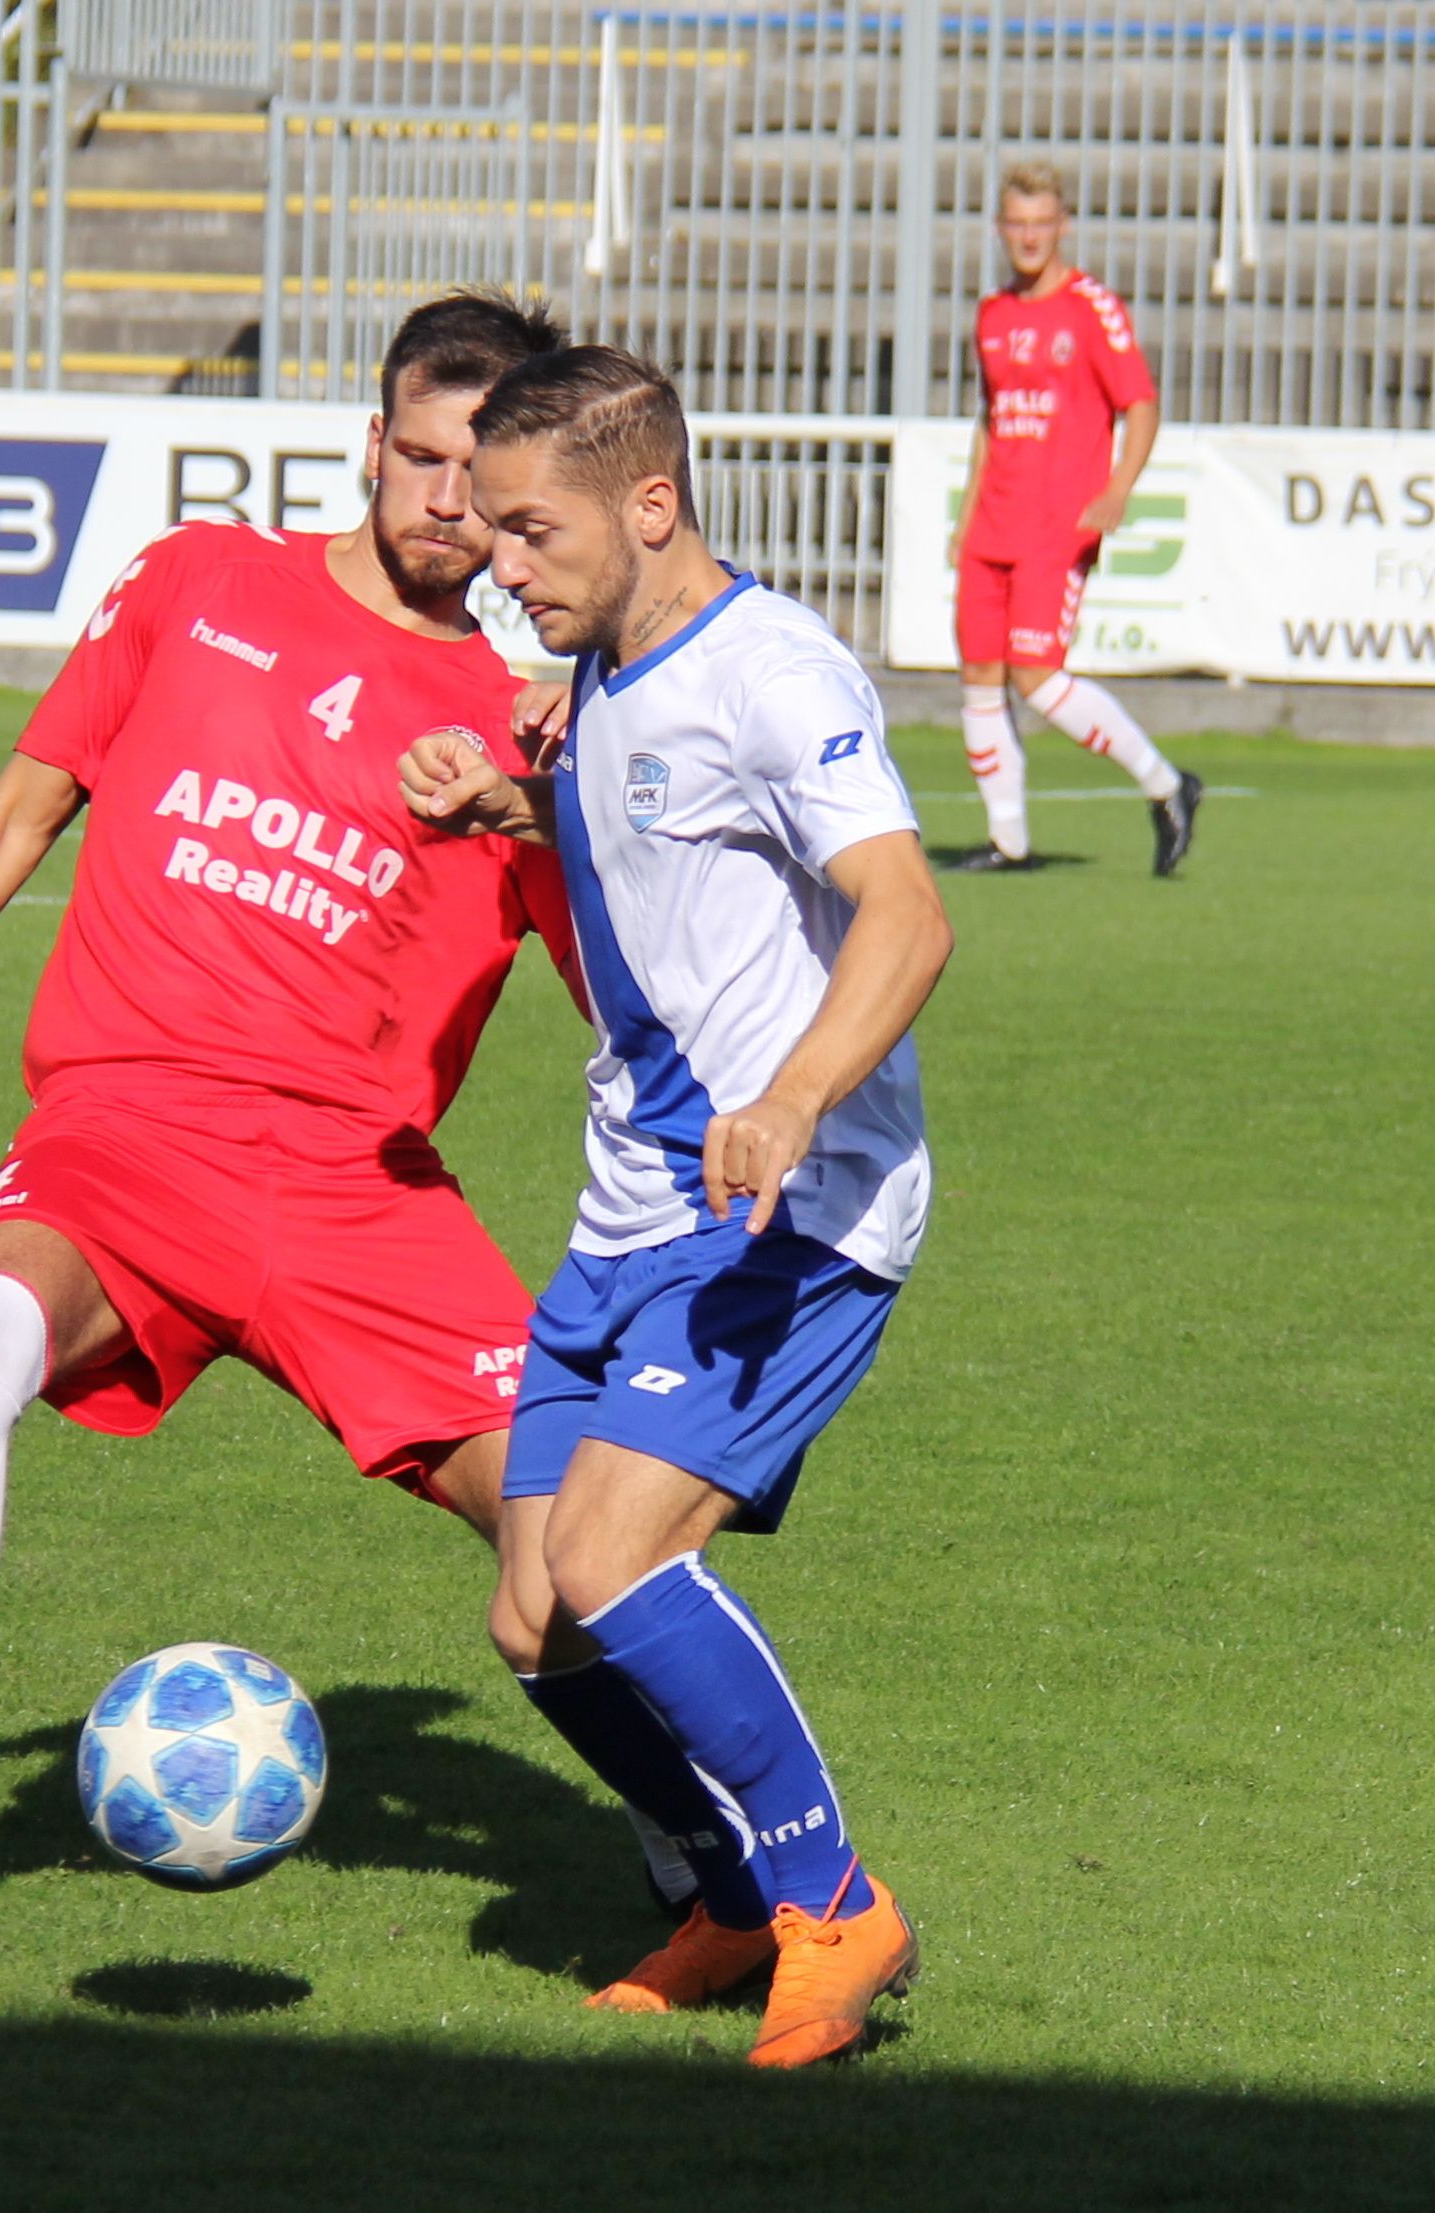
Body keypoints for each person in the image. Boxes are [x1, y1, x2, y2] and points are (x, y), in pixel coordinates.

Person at [0, 292, 594, 1936]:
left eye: (483, 472)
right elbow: (21, 807)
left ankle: (712, 1866)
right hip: (125, 1134)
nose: (449, 499)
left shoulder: (527, 732)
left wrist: (575, 808)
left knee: (581, 1543)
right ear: (372, 442)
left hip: (355, 1185)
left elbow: (631, 993)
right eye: (423, 455)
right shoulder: (198, 586)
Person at [401, 347, 953, 2068]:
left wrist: (792, 1099)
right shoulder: (606, 665)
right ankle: (726, 1893)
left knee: (613, 1554)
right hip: (629, 1206)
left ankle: (832, 1901)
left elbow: (906, 913)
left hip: (789, 1203)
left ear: (650, 504)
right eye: (489, 528)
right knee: (533, 1612)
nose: (497, 561)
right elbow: (655, 835)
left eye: (530, 529)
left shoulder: (772, 672)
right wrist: (516, 802)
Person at [948, 161, 1204, 875]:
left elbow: (1141, 405)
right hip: (993, 523)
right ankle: (1008, 841)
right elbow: (991, 420)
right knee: (979, 672)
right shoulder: (993, 314)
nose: (1029, 237)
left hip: (1057, 522)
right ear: (1001, 229)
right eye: (1017, 224)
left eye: (1042, 223)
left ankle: (1166, 784)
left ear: (1062, 226)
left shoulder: (1093, 308)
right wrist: (966, 517)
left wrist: (1119, 488)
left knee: (1035, 676)